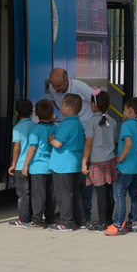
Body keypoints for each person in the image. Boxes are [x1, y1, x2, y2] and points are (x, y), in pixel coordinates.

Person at [48, 68, 95, 223]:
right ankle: (75, 214)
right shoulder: (53, 88)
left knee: (82, 178)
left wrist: (96, 122)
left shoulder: (81, 87)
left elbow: (96, 99)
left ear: (67, 81)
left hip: (84, 131)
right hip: (72, 129)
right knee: (74, 183)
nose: (55, 89)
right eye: (53, 86)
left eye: (59, 86)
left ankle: (83, 213)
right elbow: (55, 101)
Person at [105, 97, 137, 236]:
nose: (122, 112)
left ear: (130, 110)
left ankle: (117, 224)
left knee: (119, 194)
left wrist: (121, 156)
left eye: (124, 110)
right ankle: (133, 222)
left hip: (126, 166)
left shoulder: (127, 125)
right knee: (134, 195)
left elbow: (128, 143)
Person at [48, 94, 85, 232]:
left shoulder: (66, 124)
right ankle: (79, 220)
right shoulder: (78, 123)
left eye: (62, 104)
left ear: (69, 109)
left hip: (62, 165)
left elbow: (58, 144)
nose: (60, 107)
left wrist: (51, 139)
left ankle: (66, 222)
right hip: (74, 163)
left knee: (63, 194)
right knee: (74, 192)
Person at [81, 90, 117, 233]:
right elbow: (114, 141)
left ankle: (102, 223)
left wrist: (84, 162)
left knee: (100, 193)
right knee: (109, 191)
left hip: (97, 161)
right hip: (110, 160)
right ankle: (108, 220)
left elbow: (88, 143)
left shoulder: (91, 122)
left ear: (93, 105)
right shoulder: (112, 121)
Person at [22, 99, 58, 229]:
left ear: (35, 113)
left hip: (37, 167)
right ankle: (50, 219)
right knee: (50, 194)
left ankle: (37, 220)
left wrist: (25, 165)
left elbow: (32, 148)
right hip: (52, 166)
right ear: (52, 112)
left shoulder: (35, 129)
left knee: (38, 195)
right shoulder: (55, 128)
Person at [7, 99, 35, 228]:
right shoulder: (35, 125)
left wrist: (13, 164)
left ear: (16, 112)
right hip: (33, 165)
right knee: (33, 192)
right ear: (32, 112)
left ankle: (23, 219)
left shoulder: (17, 128)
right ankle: (33, 217)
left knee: (23, 194)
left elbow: (16, 147)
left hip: (20, 166)